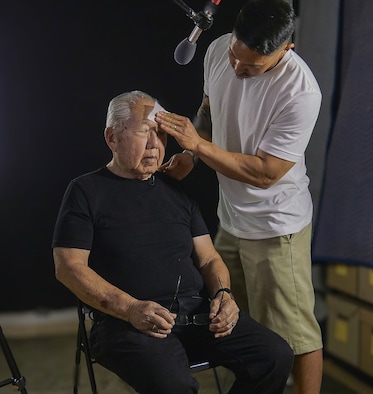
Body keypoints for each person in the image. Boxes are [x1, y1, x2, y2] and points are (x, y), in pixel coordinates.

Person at [52, 90, 294, 394]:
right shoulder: (86, 191)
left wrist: (223, 294)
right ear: (112, 138)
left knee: (275, 356)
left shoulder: (175, 190)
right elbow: (69, 268)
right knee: (175, 387)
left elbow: (208, 259)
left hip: (197, 315)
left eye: (161, 134)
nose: (156, 145)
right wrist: (130, 308)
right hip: (126, 323)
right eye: (144, 133)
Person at [154, 1, 323, 392]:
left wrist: (197, 145)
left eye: (251, 67)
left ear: (286, 50)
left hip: (276, 226)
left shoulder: (300, 92)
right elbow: (209, 114)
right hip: (231, 220)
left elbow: (264, 174)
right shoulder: (218, 51)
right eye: (235, 56)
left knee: (295, 336)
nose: (237, 69)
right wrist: (190, 155)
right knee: (234, 324)